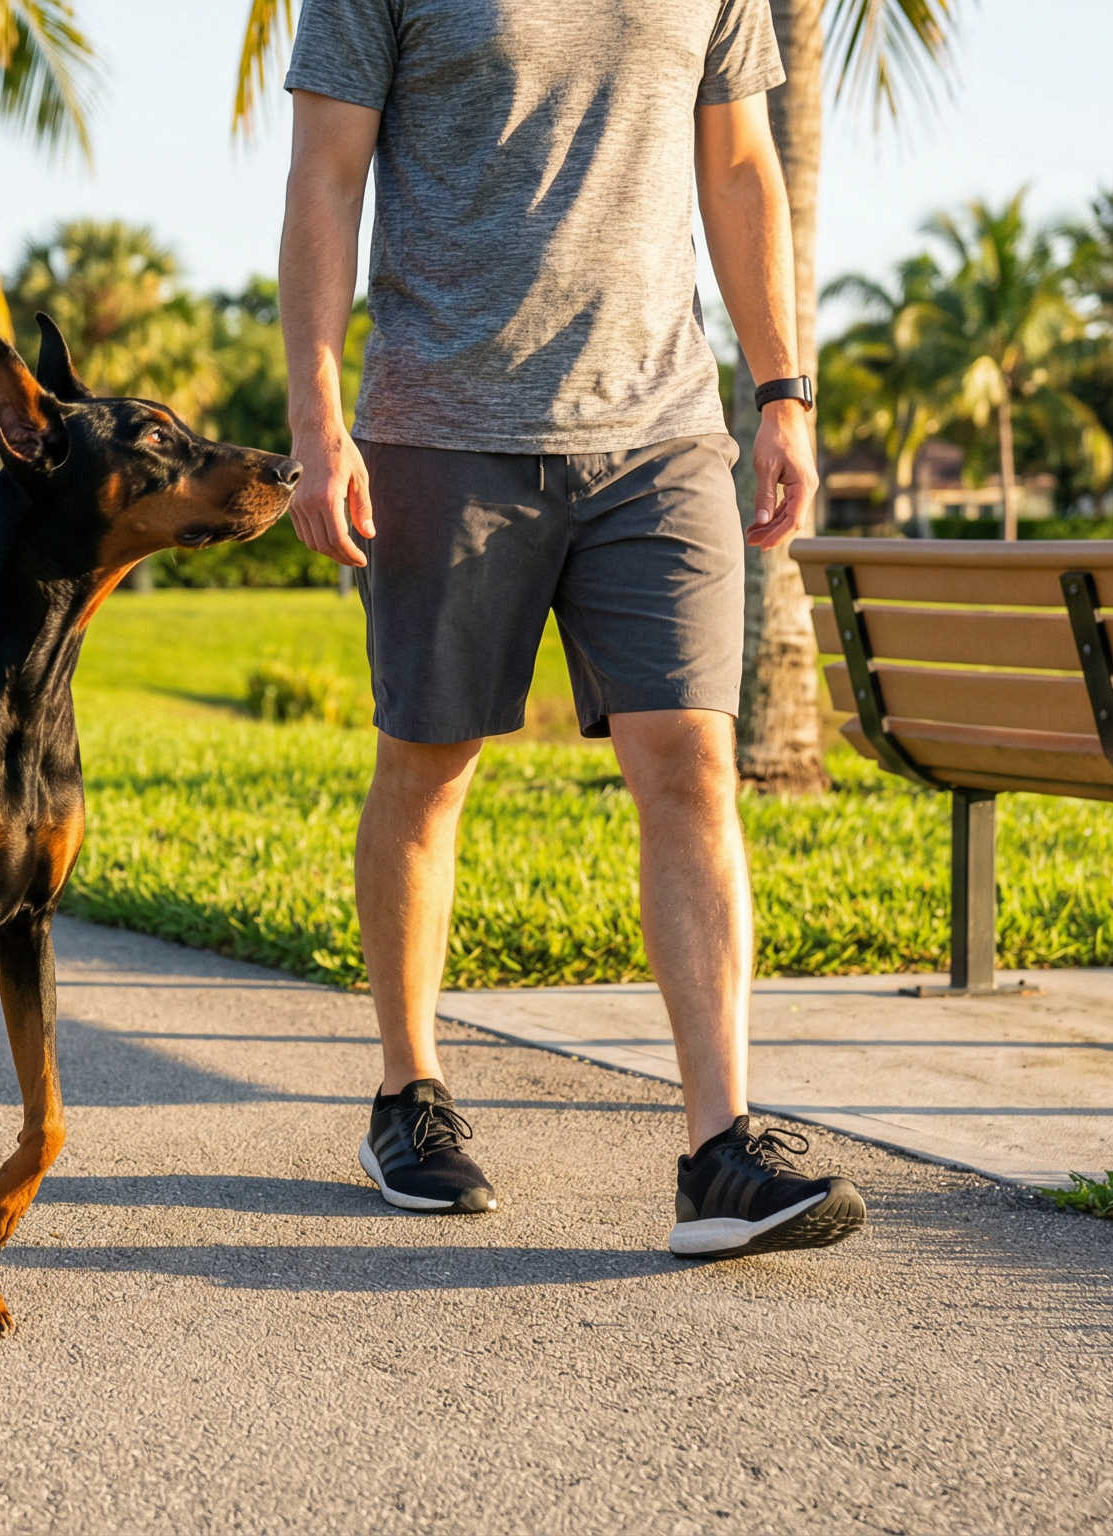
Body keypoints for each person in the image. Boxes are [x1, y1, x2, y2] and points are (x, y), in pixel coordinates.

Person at [278, 0, 866, 1256]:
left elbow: (739, 164)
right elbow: (325, 174)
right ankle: (408, 1095)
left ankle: (719, 1149)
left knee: (692, 758)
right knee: (430, 763)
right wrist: (317, 421)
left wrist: (782, 391)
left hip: (660, 426)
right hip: (442, 425)